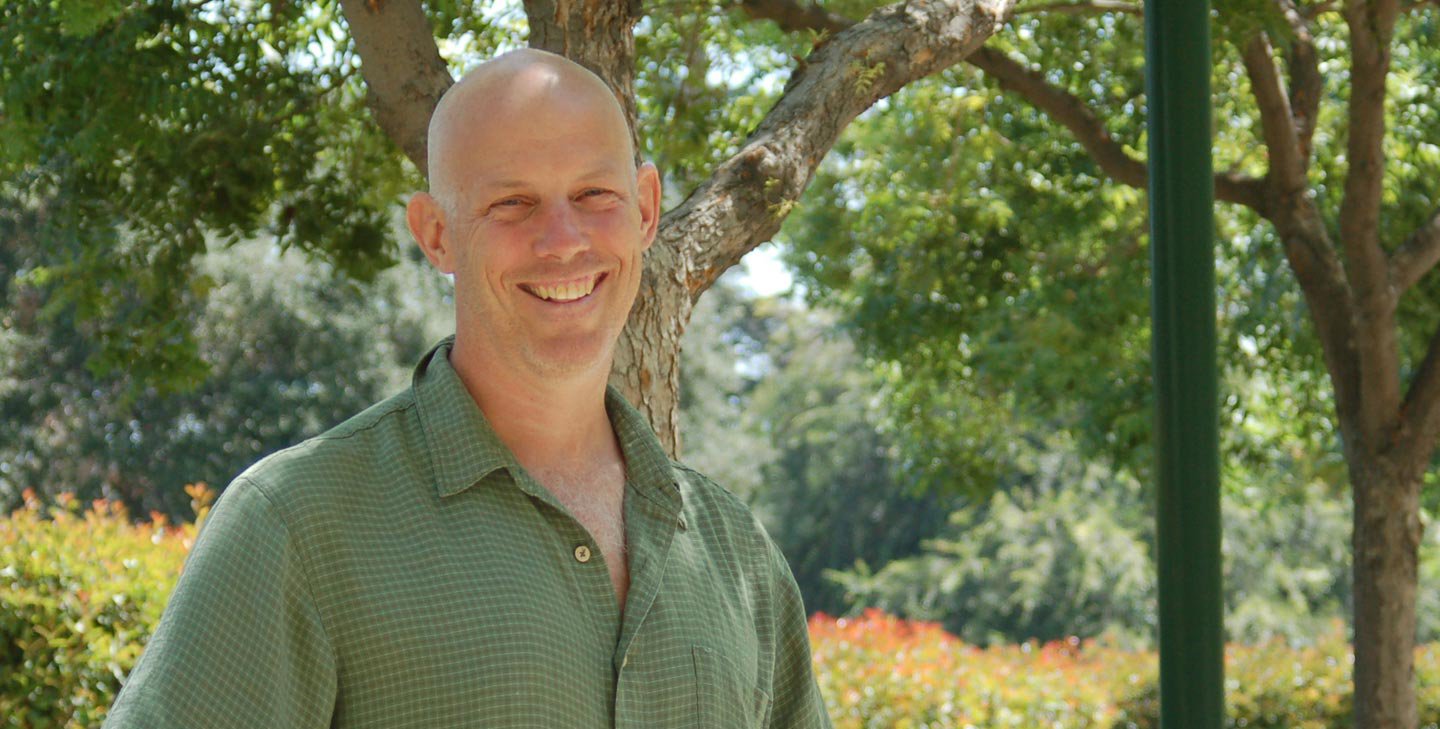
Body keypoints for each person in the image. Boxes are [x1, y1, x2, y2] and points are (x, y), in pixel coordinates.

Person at [103, 48, 833, 728]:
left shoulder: (736, 553)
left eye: (593, 193)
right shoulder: (297, 525)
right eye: (512, 203)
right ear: (436, 233)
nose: (563, 239)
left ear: (645, 207)